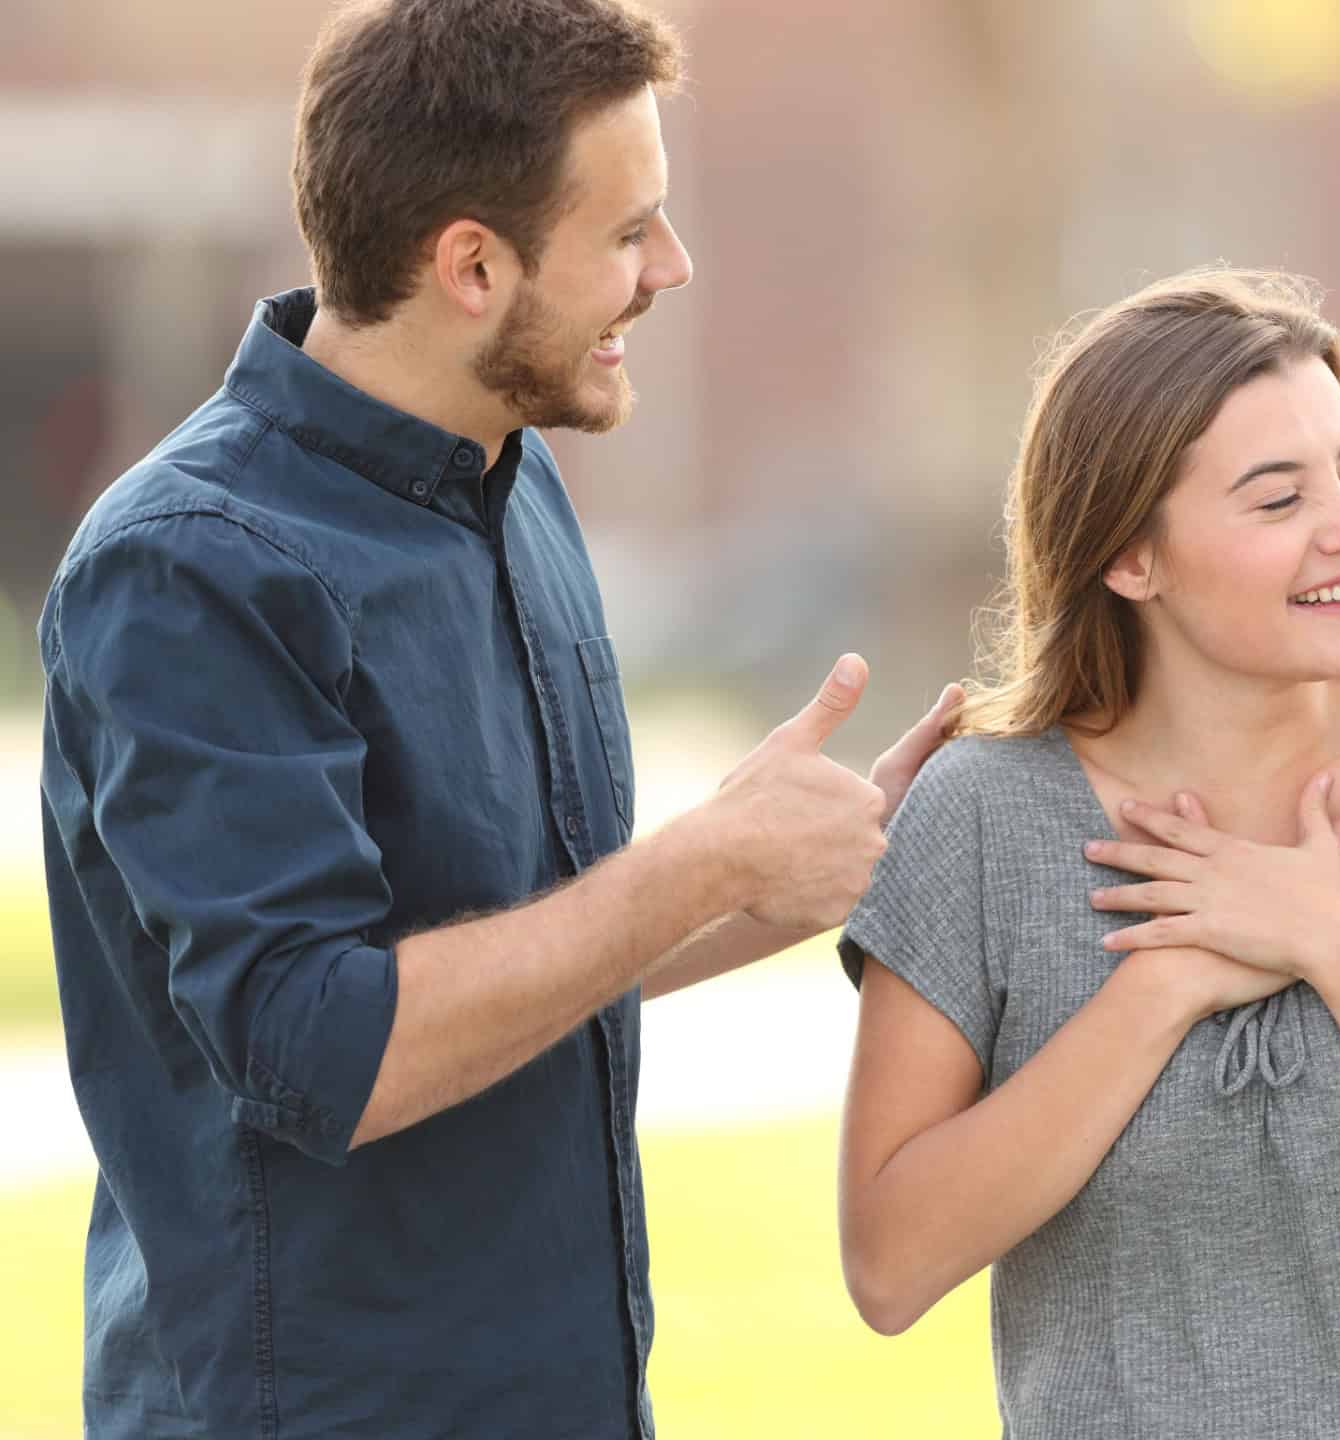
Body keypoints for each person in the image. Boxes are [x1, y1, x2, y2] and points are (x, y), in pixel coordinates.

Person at [35, 2, 952, 1434]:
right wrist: (697, 862)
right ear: (471, 263)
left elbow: (527, 952)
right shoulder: (187, 569)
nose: (673, 268)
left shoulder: (516, 487)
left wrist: (835, 856)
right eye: (630, 232)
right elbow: (321, 1046)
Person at [834, 268, 1340, 1436]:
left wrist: (1335, 945)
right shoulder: (979, 816)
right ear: (1130, 559)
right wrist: (1170, 981)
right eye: (1279, 501)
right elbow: (891, 1266)